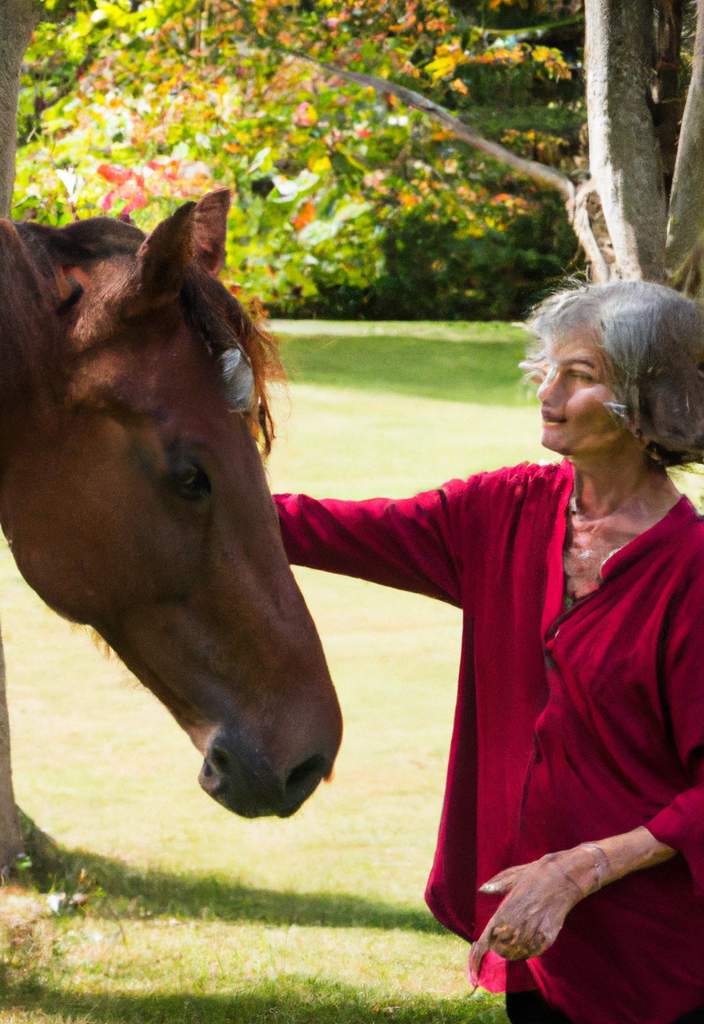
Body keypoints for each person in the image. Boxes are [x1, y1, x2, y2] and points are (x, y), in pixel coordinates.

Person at [274, 281, 704, 1024]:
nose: (548, 389)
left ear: (648, 400)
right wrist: (186, 481)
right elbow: (323, 528)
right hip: (535, 947)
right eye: (548, 368)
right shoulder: (501, 511)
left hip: (660, 964)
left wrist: (583, 869)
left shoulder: (692, 571)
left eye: (580, 375)